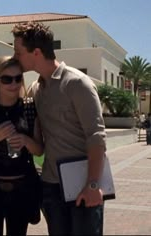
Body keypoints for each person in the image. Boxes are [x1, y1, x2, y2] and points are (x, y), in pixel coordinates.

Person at [12, 21, 107, 235]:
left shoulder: (77, 83)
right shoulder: (36, 89)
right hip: (51, 186)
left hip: (83, 185)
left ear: (36, 52)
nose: (15, 57)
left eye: (18, 52)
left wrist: (93, 184)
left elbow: (96, 136)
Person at [0, 56, 44, 236]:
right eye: (7, 79)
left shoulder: (28, 107)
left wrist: (26, 141)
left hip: (21, 189)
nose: (14, 84)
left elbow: (40, 150)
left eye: (18, 78)